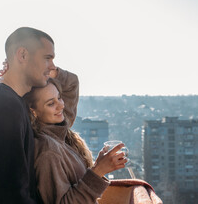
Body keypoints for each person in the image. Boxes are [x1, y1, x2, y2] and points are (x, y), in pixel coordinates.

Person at [0, 27, 56, 203]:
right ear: (22, 55)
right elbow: (11, 196)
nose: (53, 67)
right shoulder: (2, 106)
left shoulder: (8, 101)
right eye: (47, 58)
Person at [23, 69, 128, 204]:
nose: (61, 105)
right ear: (33, 112)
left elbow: (71, 83)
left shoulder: (59, 130)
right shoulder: (48, 152)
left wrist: (47, 70)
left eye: (59, 97)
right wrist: (98, 171)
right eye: (51, 103)